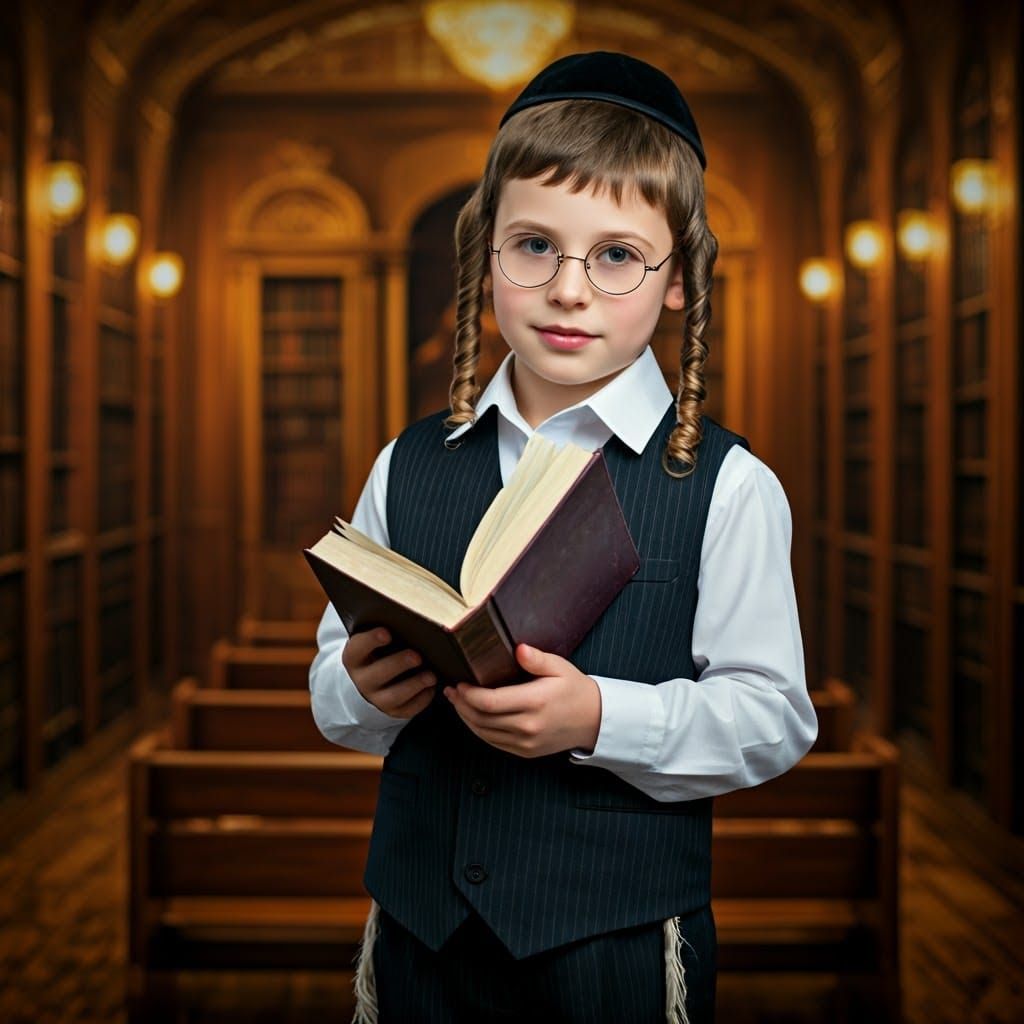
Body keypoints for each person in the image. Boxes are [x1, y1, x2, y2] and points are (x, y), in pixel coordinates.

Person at [309, 50, 818, 1024]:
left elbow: (772, 718)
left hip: (617, 944)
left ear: (678, 280)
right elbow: (333, 690)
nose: (568, 289)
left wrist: (598, 716)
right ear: (484, 255)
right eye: (533, 245)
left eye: (618, 254)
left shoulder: (729, 487)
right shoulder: (405, 462)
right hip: (420, 933)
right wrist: (363, 691)